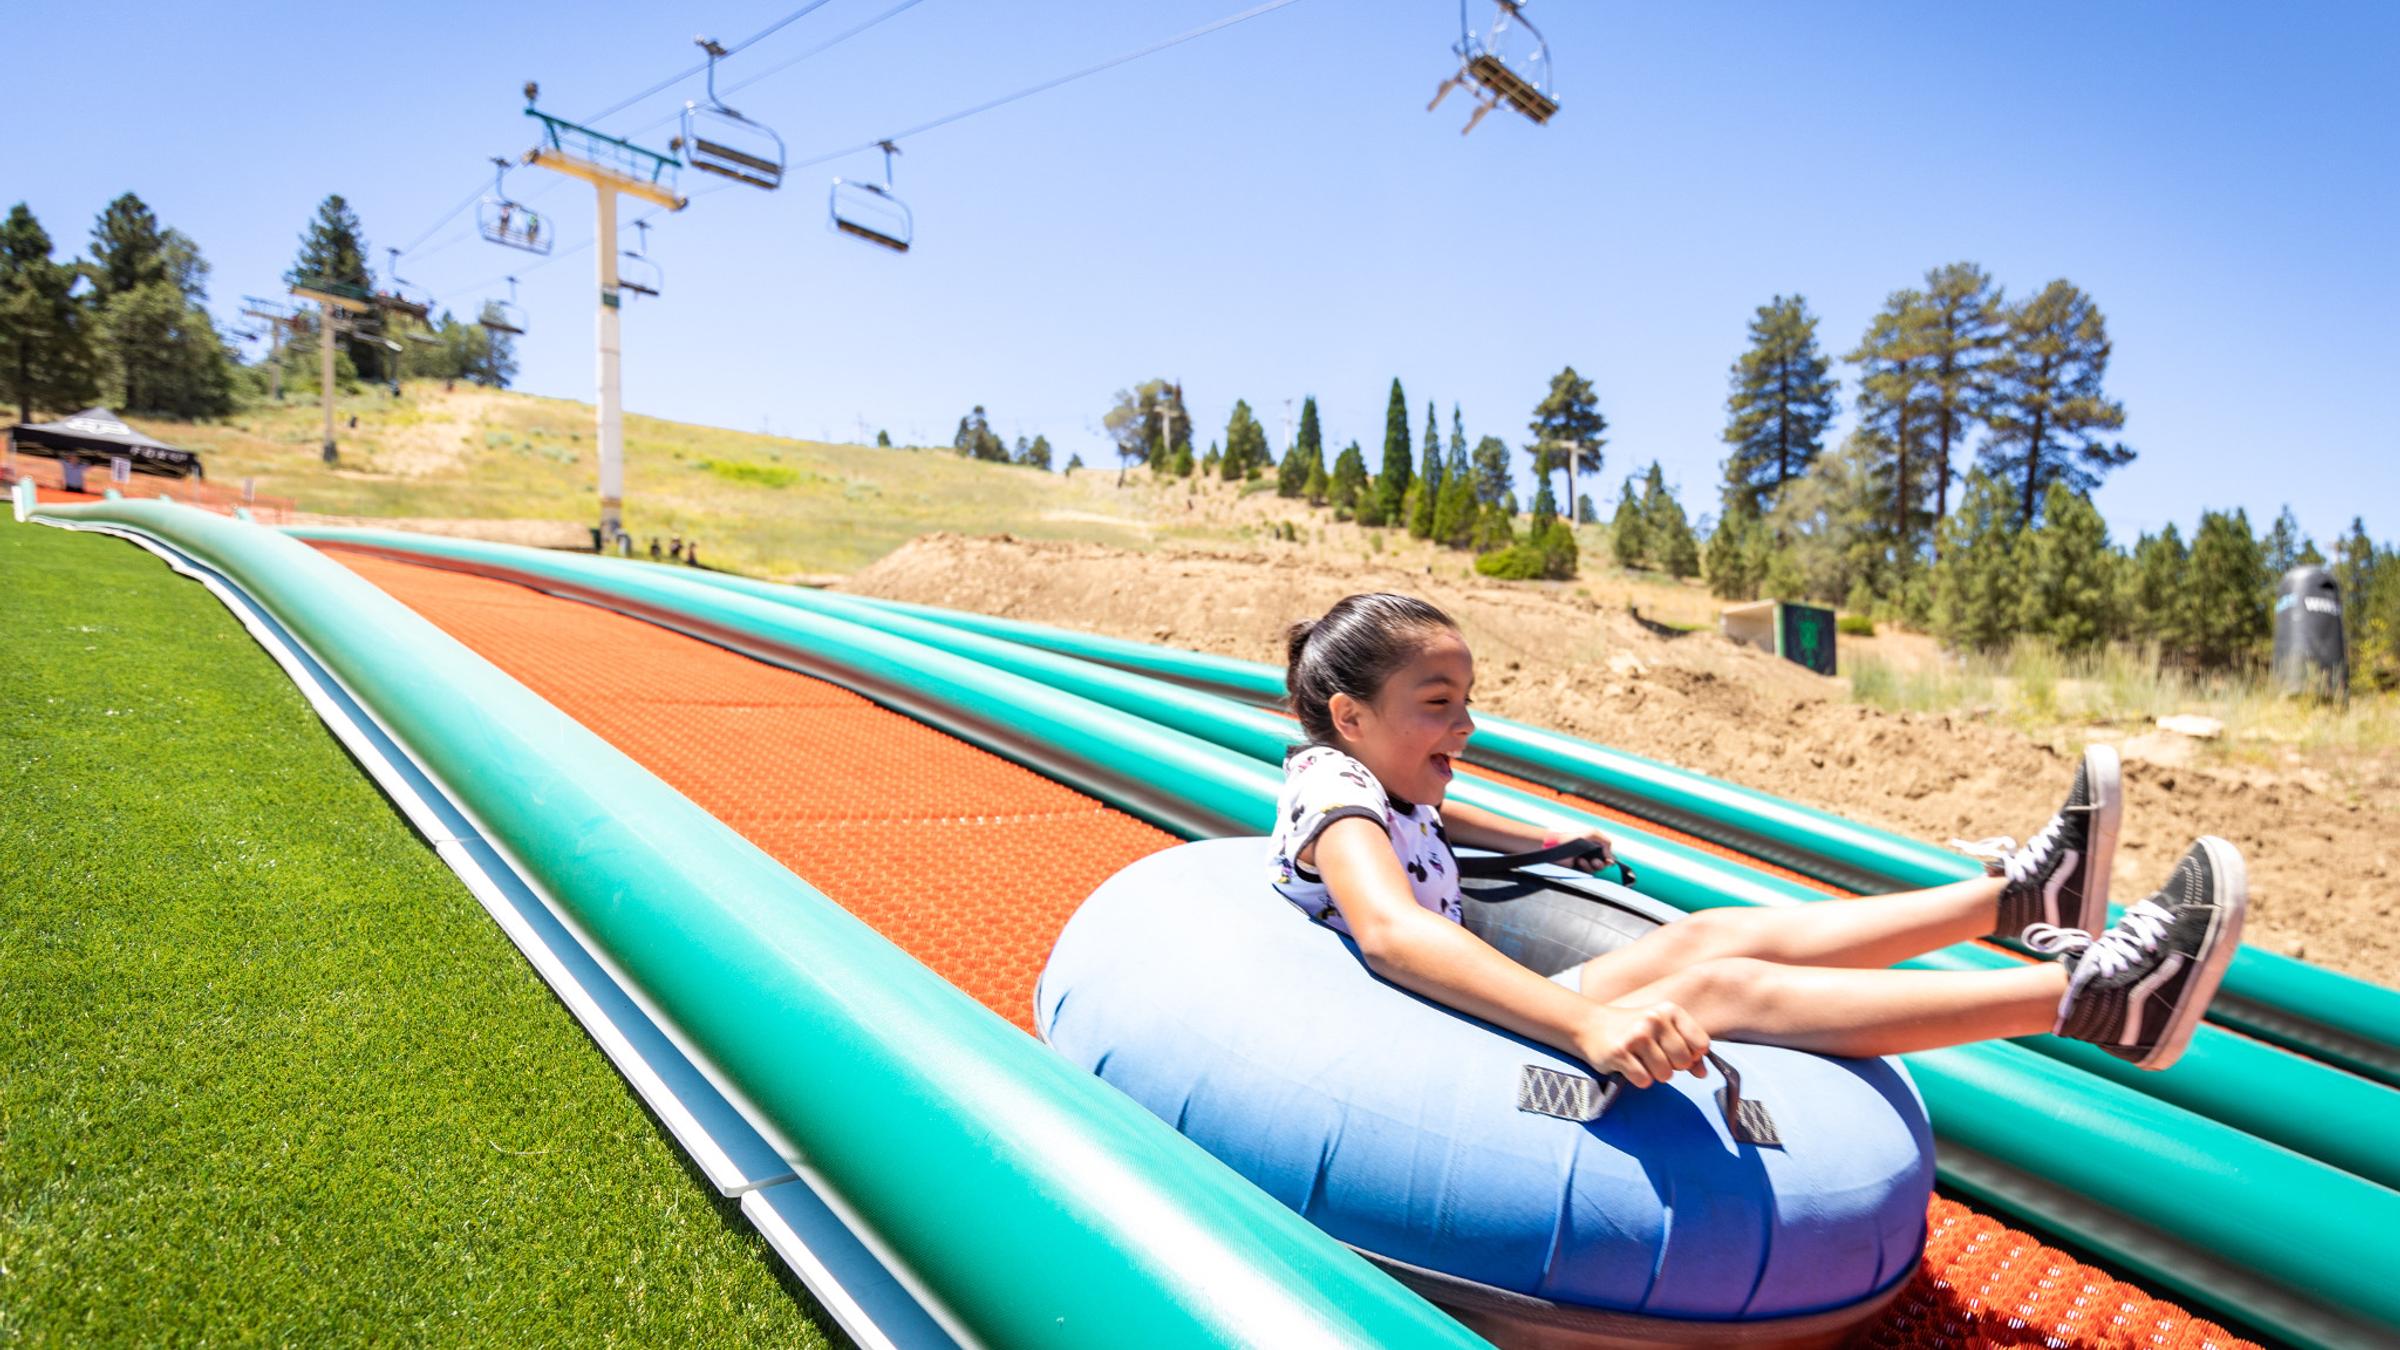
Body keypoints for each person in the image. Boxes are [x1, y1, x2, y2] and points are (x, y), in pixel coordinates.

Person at [1272, 593, 2246, 1088]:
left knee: (1705, 935)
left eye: (1469, 702)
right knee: (1717, 985)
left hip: (1431, 1010)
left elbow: (1437, 820)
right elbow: (1394, 932)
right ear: (1350, 717)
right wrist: (1584, 1026)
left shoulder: (1379, 782)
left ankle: (2023, 901)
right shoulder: (1333, 782)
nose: (1468, 727)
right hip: (1404, 1037)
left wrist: (1545, 839)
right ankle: (2086, 1001)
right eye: (1438, 705)